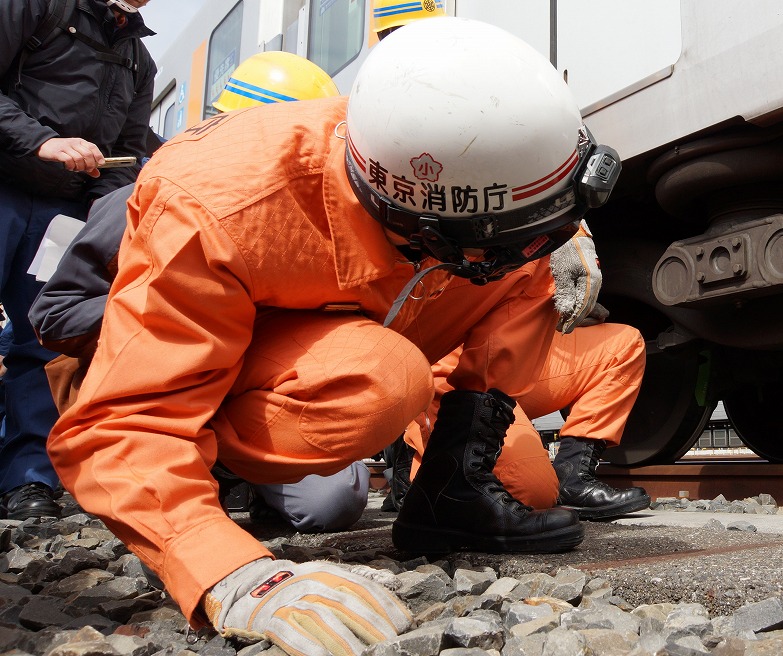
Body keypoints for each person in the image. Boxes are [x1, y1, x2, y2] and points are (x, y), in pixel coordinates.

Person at [47, 17, 618, 654]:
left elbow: (518, 239)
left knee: (530, 483)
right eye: (507, 238)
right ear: (422, 230)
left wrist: (567, 235)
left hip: (370, 344)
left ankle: (448, 492)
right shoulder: (214, 202)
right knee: (379, 382)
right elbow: (130, 422)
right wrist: (233, 575)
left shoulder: (453, 154)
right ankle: (217, 471)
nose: (540, 248)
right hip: (248, 375)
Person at [31, 51, 366, 534]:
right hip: (155, 387)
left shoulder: (311, 222)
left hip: (245, 382)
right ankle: (157, 466)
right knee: (163, 511)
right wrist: (177, 301)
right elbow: (56, 315)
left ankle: (235, 469)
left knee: (331, 503)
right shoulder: (139, 196)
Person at [373, 0, 651, 523]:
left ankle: (577, 474)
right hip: (448, 366)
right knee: (530, 491)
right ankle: (417, 469)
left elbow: (544, 178)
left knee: (622, 345)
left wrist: (572, 236)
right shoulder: (383, 141)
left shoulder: (489, 118)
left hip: (503, 354)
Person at [0, 0, 156, 521]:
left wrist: (105, 207)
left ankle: (28, 480)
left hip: (62, 214)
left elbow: (129, 149)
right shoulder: (36, 6)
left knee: (42, 342)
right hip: (4, 184)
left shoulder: (139, 58)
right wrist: (41, 141)